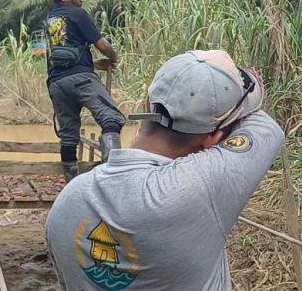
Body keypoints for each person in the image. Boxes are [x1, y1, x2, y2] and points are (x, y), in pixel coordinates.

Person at [45, 50, 285, 290]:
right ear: (214, 138)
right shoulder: (200, 187)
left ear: (147, 104)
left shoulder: (67, 201)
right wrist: (242, 90)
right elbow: (267, 130)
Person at [44, 0, 124, 181]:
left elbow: (62, 53)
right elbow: (103, 45)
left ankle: (70, 184)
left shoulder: (51, 19)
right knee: (112, 119)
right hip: (81, 79)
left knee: (68, 136)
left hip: (57, 83)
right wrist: (113, 58)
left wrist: (94, 64)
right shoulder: (78, 14)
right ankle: (113, 177)